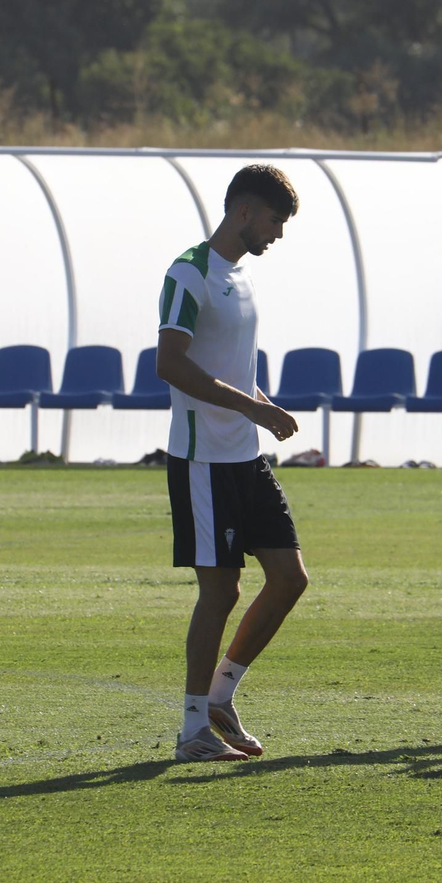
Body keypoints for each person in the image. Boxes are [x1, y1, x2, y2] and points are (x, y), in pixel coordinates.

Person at [157, 164, 307, 762]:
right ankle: (193, 729)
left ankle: (221, 694)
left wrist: (262, 404)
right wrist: (251, 406)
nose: (278, 233)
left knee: (290, 578)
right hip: (202, 460)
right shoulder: (188, 273)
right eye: (275, 220)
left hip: (246, 457)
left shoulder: (240, 277)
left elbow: (233, 365)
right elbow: (171, 364)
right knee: (219, 593)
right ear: (244, 210)